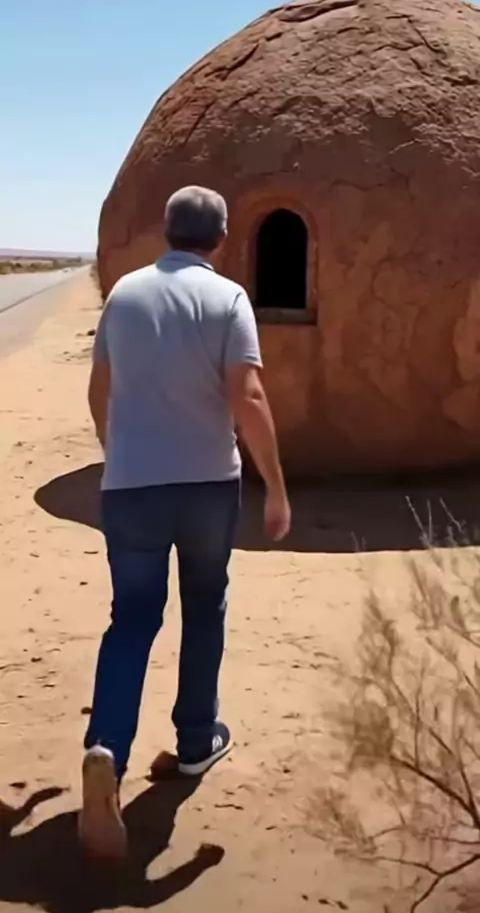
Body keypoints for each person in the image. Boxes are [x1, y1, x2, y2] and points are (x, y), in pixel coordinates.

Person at [79, 185, 291, 859]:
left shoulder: (123, 295)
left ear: (166, 232)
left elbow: (99, 389)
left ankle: (106, 749)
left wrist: (117, 454)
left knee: (131, 621)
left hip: (131, 489)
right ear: (221, 238)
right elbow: (247, 394)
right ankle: (197, 740)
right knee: (204, 608)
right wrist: (275, 486)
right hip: (206, 487)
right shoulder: (228, 299)